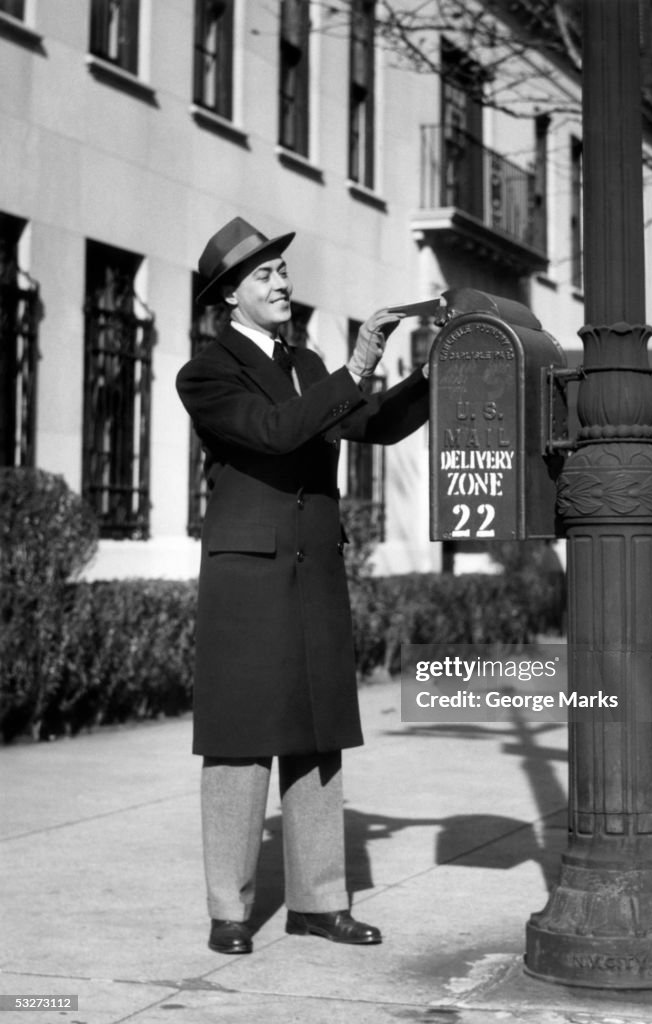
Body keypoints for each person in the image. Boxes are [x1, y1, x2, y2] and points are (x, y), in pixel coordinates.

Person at [176, 217, 429, 955]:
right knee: (239, 738)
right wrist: (352, 369)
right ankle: (229, 908)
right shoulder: (206, 371)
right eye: (263, 274)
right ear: (228, 298)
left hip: (314, 564)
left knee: (317, 732)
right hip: (246, 573)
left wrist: (435, 370)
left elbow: (373, 425)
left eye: (282, 270)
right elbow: (275, 432)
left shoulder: (310, 364)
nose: (281, 282)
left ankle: (318, 903)